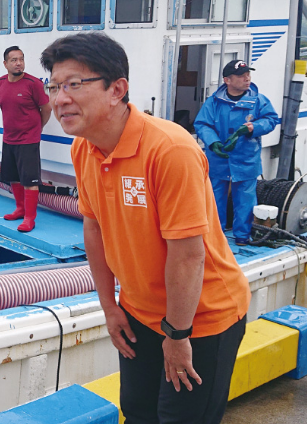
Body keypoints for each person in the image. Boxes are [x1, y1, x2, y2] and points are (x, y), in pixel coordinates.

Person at [42, 33, 250, 424]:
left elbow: (187, 254)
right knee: (138, 412)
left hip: (201, 317)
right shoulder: (83, 147)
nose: (59, 98)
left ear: (116, 89)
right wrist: (110, 308)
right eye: (53, 86)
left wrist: (177, 335)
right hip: (138, 312)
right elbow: (95, 227)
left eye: (74, 84)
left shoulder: (169, 150)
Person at [193, 59, 278, 246]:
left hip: (246, 159)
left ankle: (242, 236)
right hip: (218, 159)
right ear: (227, 80)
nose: (247, 78)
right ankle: (215, 236)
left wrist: (253, 127)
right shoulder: (213, 103)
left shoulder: (258, 100)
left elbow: (271, 119)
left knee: (245, 199)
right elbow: (202, 124)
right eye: (241, 76)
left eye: (248, 74)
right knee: (214, 198)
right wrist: (213, 142)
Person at [0, 46, 51, 232]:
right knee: (14, 178)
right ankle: (19, 209)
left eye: (21, 59)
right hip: (9, 138)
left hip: (28, 139)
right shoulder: (0, 83)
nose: (18, 63)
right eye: (14, 60)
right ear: (5, 64)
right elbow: (4, 107)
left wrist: (37, 128)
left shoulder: (33, 83)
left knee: (29, 180)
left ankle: (29, 218)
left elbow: (47, 108)